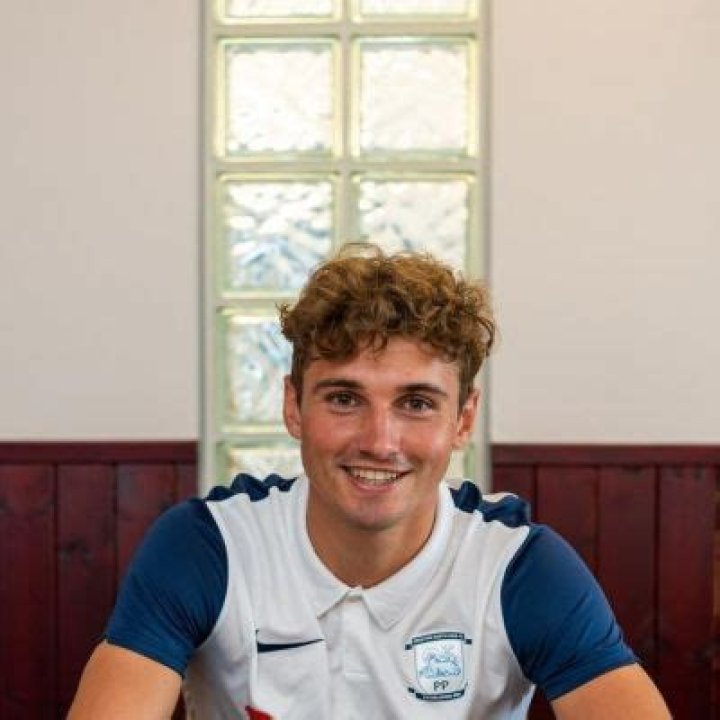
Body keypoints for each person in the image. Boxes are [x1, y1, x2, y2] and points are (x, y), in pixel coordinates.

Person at [69, 244, 670, 719]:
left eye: (416, 403)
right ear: (294, 406)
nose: (380, 441)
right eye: (344, 398)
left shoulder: (518, 567)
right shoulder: (207, 547)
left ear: (463, 420)